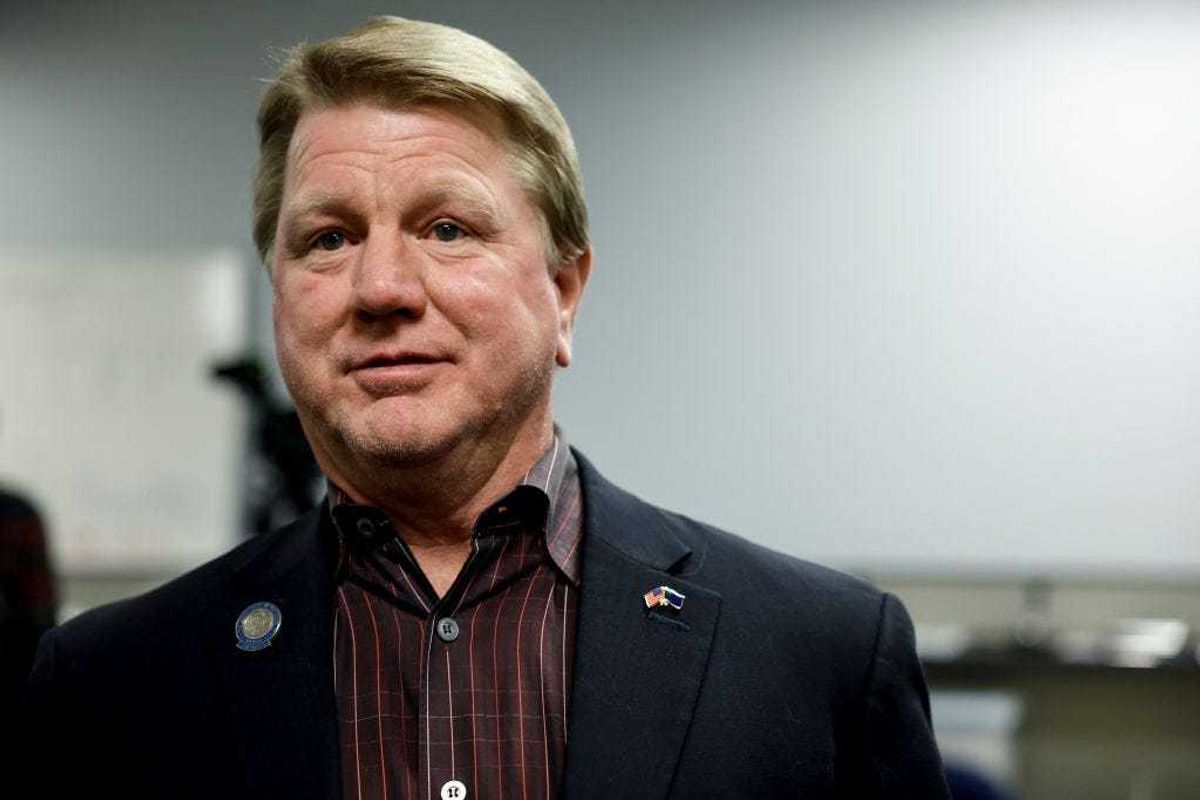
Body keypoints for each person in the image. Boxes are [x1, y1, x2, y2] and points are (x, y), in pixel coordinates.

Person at [17, 17, 948, 799]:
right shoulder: (111, 684)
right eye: (328, 238)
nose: (380, 287)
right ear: (280, 296)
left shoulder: (818, 657)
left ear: (564, 293)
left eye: (447, 229)